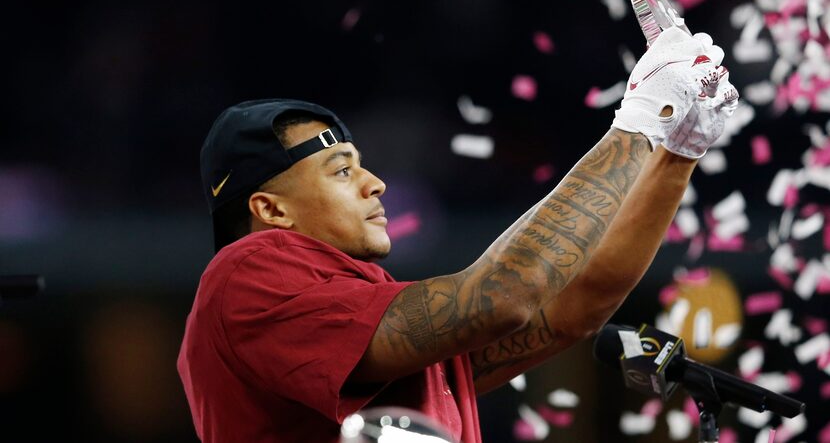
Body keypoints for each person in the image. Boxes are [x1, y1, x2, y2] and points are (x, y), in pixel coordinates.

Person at [177, 27, 739, 443]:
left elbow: (575, 309)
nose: (374, 183)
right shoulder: (245, 274)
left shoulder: (364, 329)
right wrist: (639, 121)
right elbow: (502, 299)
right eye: (342, 170)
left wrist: (677, 149)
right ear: (270, 209)